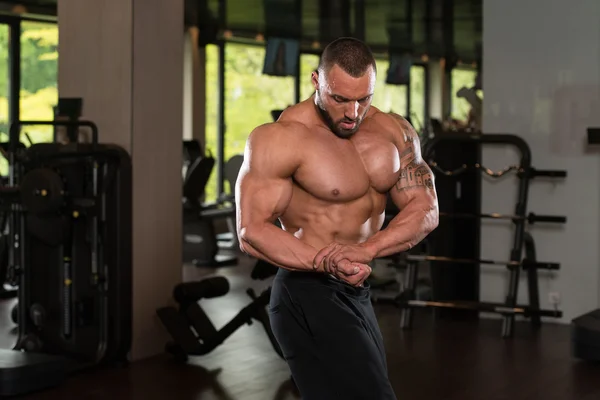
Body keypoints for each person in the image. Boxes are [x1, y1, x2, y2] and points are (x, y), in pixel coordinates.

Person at [235, 37, 439, 399]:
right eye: (340, 99)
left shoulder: (395, 131)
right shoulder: (281, 138)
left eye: (364, 99)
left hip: (357, 291)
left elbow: (426, 208)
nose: (353, 113)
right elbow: (251, 230)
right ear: (317, 81)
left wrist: (366, 251)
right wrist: (326, 262)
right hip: (307, 292)